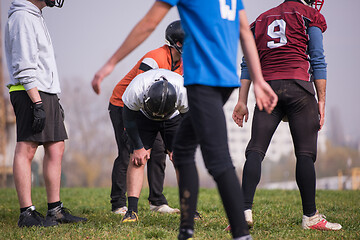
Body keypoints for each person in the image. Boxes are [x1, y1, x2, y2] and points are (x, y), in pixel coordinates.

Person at [90, 1, 277, 239]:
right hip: (222, 81)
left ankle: (241, 234)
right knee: (182, 151)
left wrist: (111, 62)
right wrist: (258, 79)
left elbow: (148, 23)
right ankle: (185, 229)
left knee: (218, 161)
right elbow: (244, 32)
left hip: (202, 82)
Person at [232, 0, 342, 231]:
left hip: (268, 88)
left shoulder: (260, 20)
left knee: (255, 150)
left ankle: (243, 211)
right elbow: (317, 58)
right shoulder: (309, 15)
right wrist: (321, 99)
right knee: (304, 154)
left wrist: (242, 101)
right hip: (298, 87)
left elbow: (247, 63)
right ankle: (310, 217)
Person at [4, 0, 87, 227]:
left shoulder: (36, 16)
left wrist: (51, 97)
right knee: (27, 147)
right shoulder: (22, 18)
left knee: (56, 146)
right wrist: (37, 102)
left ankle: (55, 210)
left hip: (44, 91)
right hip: (30, 91)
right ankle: (27, 214)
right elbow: (24, 65)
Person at [92, 21, 184, 215]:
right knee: (132, 151)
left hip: (157, 109)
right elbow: (145, 96)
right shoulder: (155, 58)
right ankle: (118, 203)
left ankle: (157, 201)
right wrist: (140, 143)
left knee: (159, 151)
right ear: (177, 43)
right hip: (126, 105)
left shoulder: (184, 63)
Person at [120, 68, 188, 223]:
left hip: (174, 118)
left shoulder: (184, 92)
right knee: (137, 159)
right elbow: (129, 122)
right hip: (145, 117)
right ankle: (131, 211)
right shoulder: (136, 90)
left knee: (182, 160)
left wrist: (182, 147)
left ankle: (189, 209)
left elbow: (190, 122)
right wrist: (138, 147)